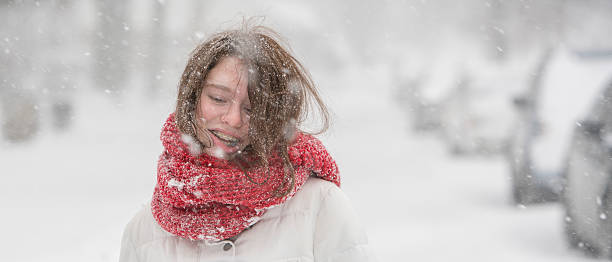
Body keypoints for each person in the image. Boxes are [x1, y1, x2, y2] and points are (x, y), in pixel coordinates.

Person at [119, 24, 372, 262]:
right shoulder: (144, 234)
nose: (233, 118)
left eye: (252, 109)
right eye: (218, 98)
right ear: (192, 98)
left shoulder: (320, 208)